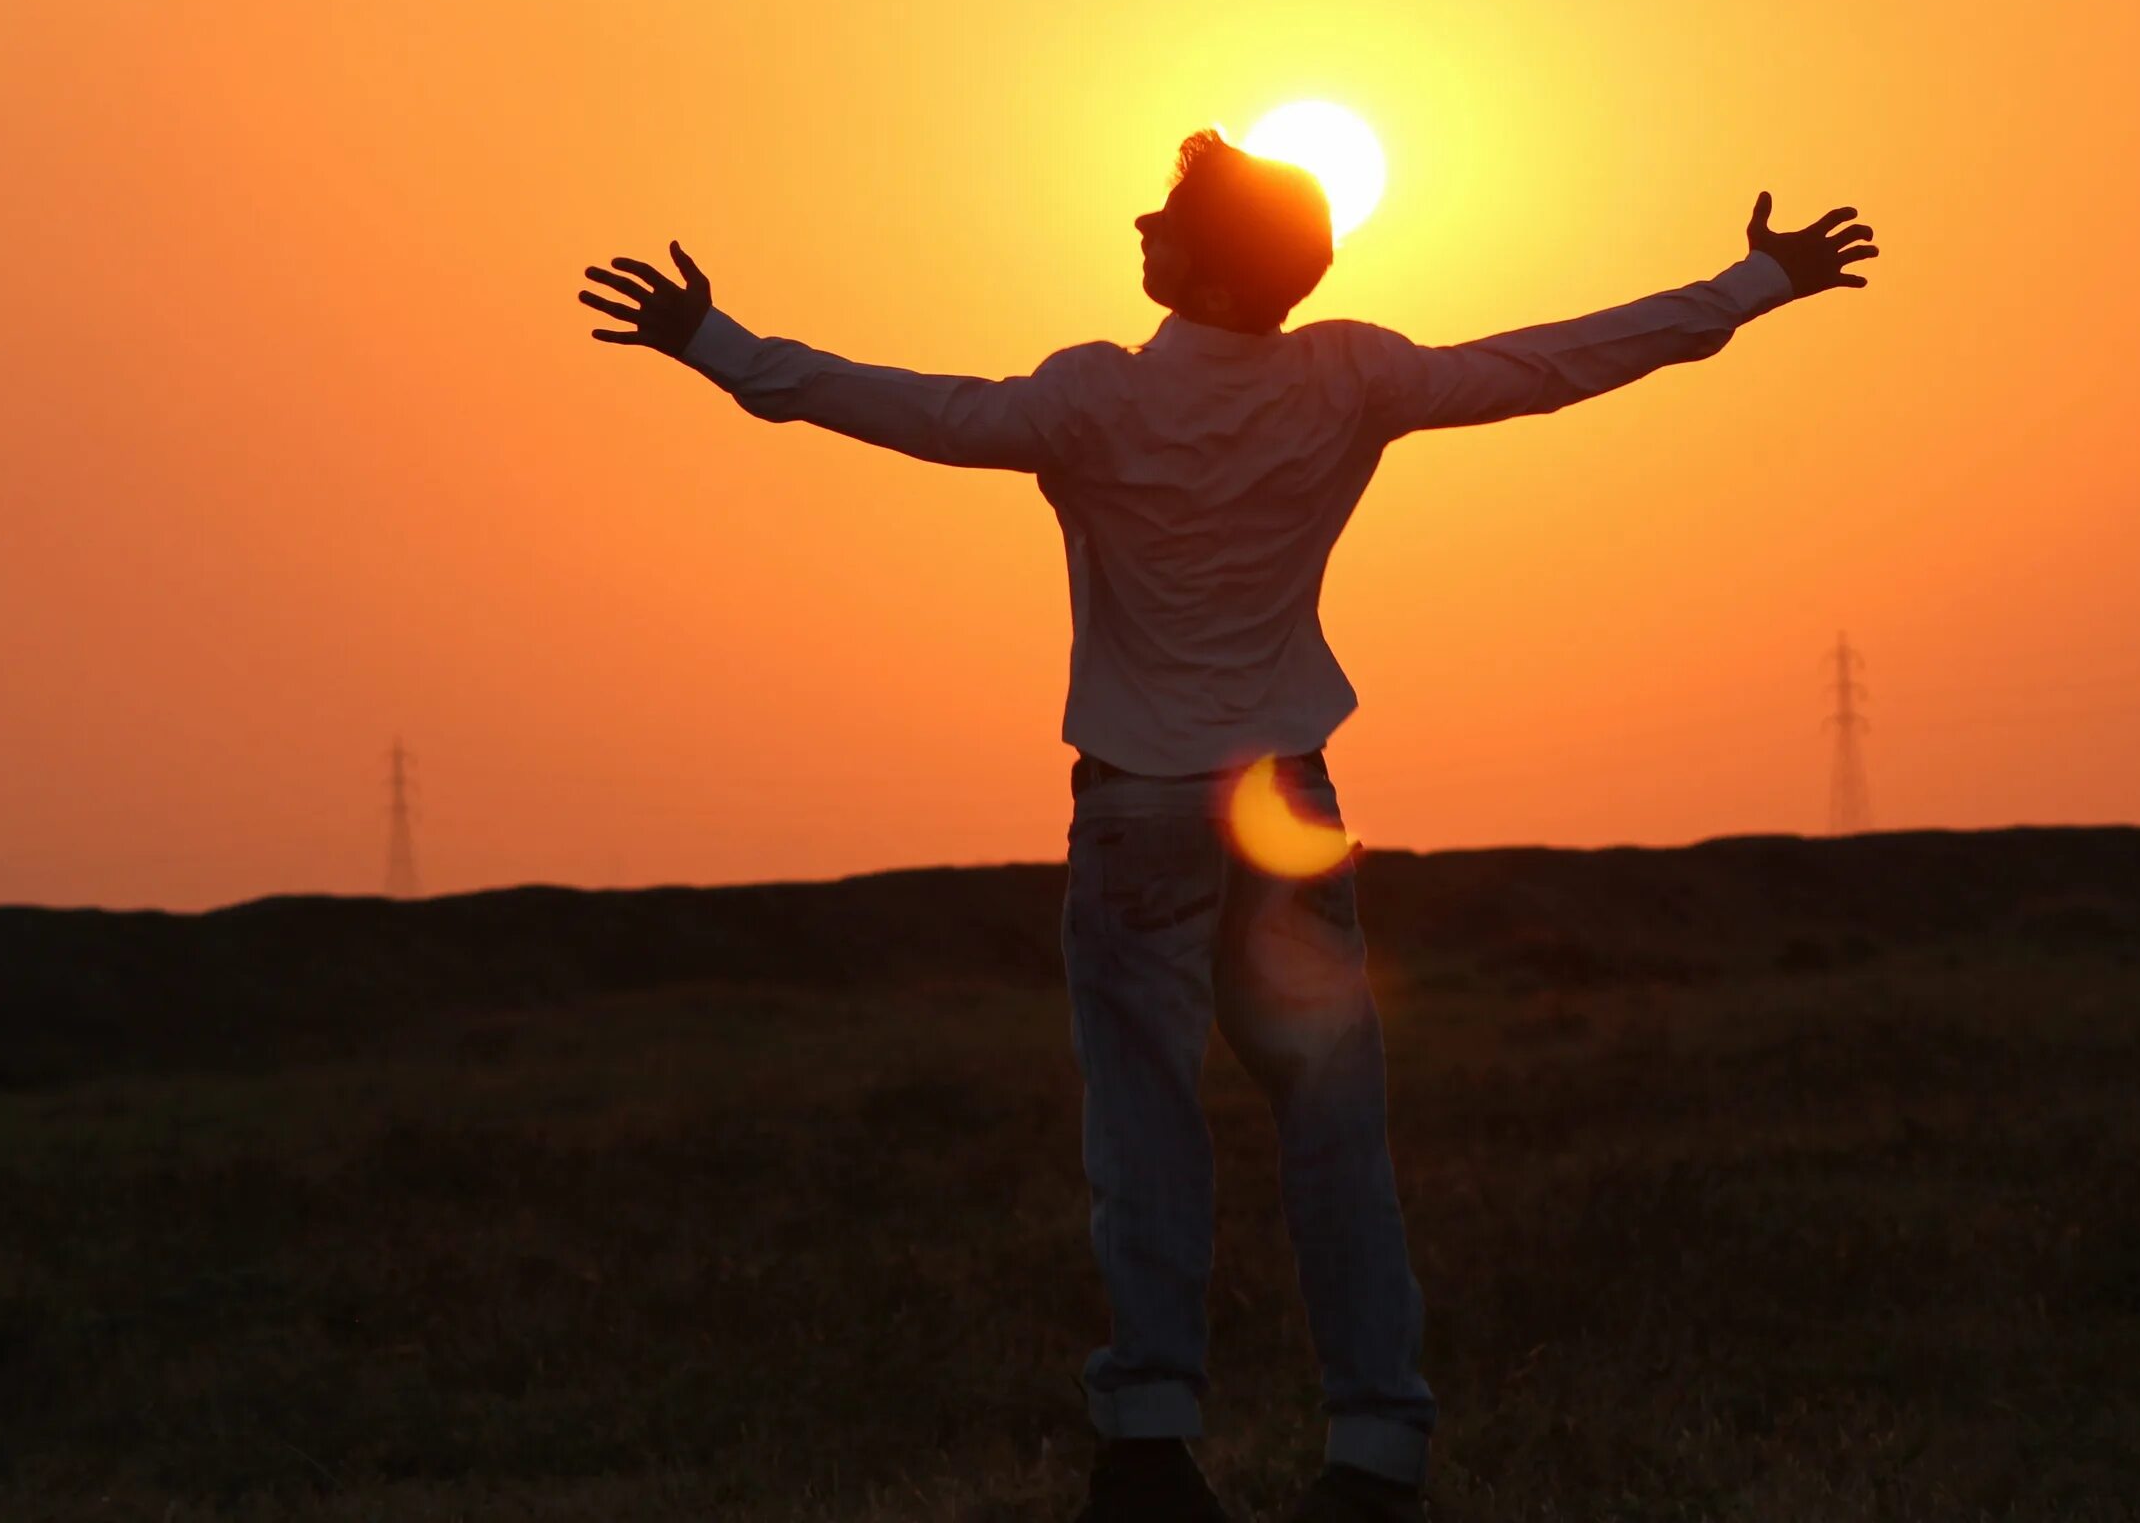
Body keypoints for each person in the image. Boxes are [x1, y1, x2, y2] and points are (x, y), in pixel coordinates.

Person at [577, 132, 1877, 1522]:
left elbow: (901, 408)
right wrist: (1751, 286)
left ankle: (1149, 1448)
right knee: (1337, 1139)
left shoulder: (1093, 399)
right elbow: (1551, 362)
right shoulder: (1349, 380)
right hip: (1287, 816)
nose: (1143, 218)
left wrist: (715, 342)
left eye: (1172, 211)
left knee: (1146, 1136)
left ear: (1208, 254)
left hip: (1137, 819)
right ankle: (1376, 1454)